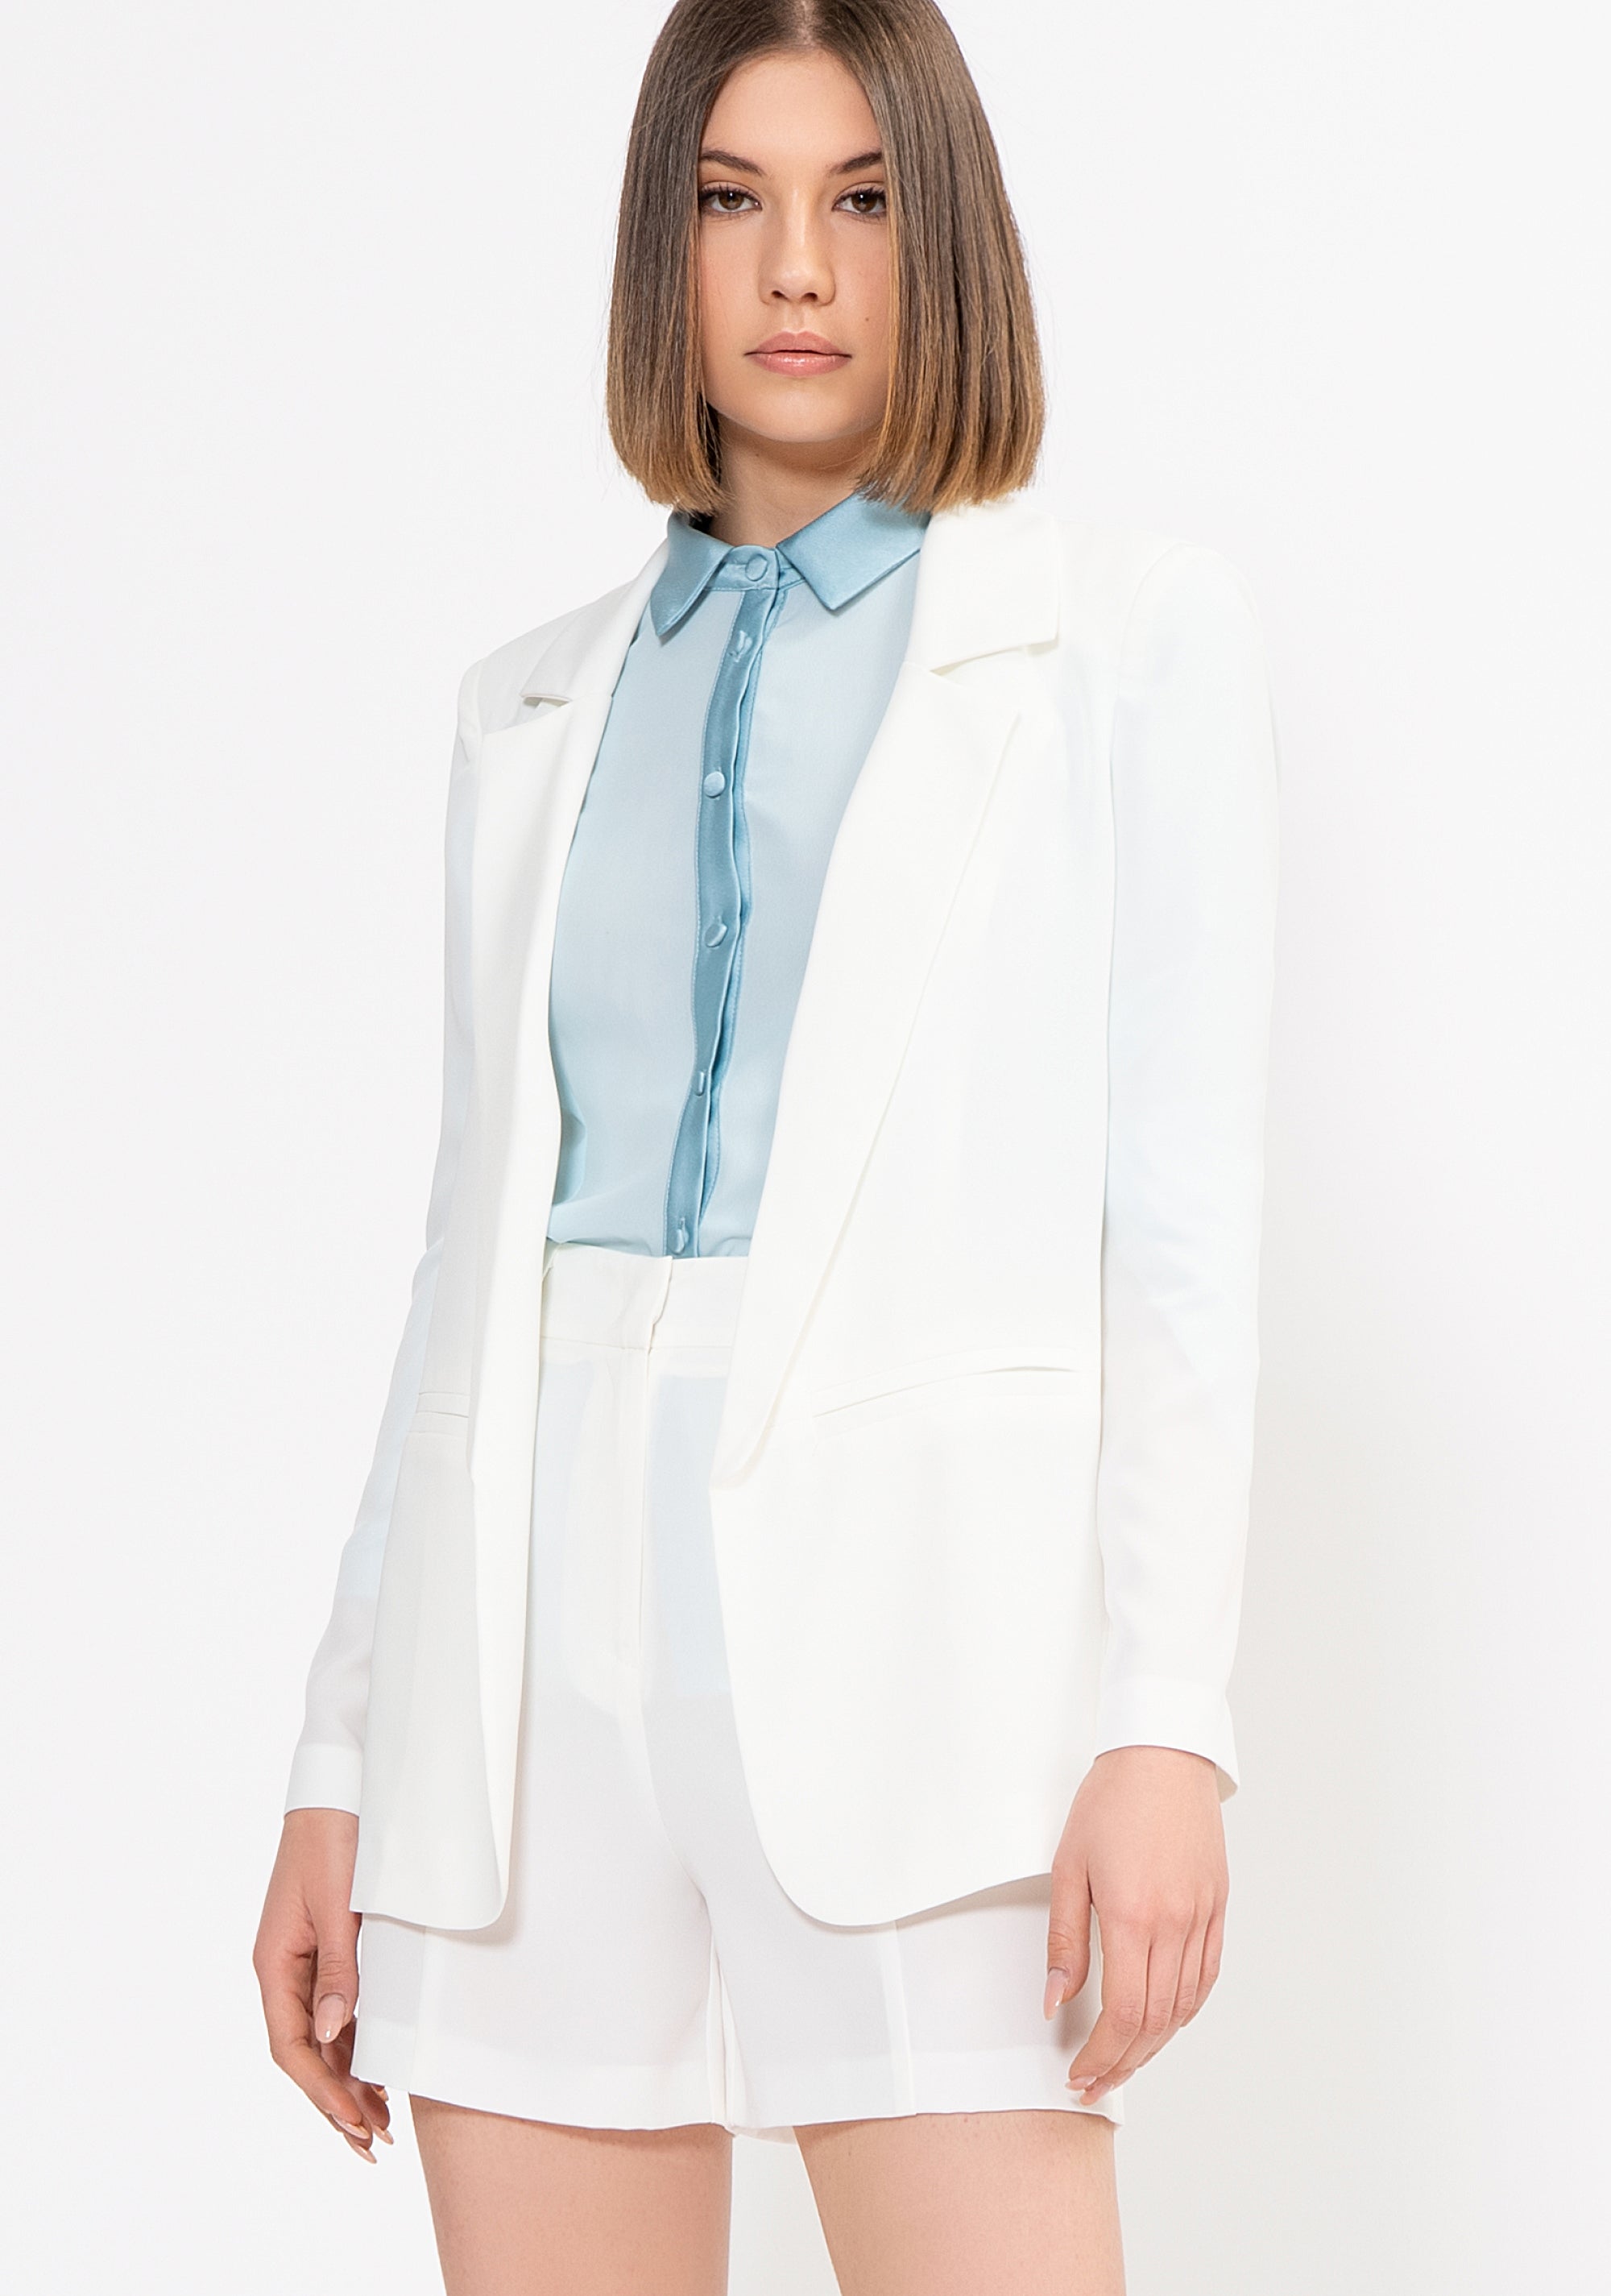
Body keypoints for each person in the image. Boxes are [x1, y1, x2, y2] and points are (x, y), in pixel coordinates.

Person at [253, 2, 1279, 2289]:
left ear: (947, 237)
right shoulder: (526, 705)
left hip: (928, 1636)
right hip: (525, 1663)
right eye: (733, 200)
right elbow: (463, 1263)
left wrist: (1165, 1726)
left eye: (862, 199)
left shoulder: (1118, 647)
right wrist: (344, 1757)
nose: (796, 267)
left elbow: (1181, 1230)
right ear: (666, 248)